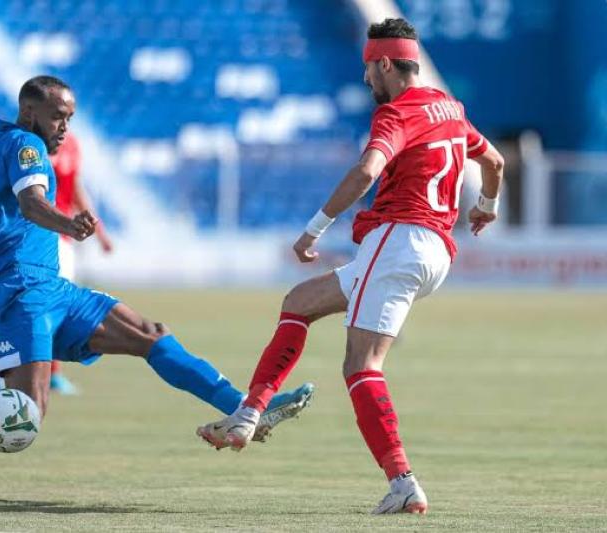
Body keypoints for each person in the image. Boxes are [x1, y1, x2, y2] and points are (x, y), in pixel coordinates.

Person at [0, 75, 313, 500]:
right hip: (22, 294)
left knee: (151, 334)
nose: (64, 127)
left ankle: (245, 408)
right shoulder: (25, 146)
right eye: (57, 116)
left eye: (70, 118)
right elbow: (32, 203)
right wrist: (68, 223)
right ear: (29, 112)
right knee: (23, 415)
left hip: (51, 288)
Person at [197, 18, 504, 515]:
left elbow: (366, 171)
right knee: (298, 302)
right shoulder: (451, 110)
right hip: (432, 252)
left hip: (400, 239)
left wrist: (313, 229)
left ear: (385, 62)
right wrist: (486, 206)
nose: (366, 80)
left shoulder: (396, 114)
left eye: (368, 68)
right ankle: (250, 412)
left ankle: (402, 482)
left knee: (361, 366)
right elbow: (495, 163)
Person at [47, 132, 114, 395]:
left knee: (57, 308)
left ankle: (52, 373)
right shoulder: (31, 142)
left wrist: (101, 233)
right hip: (35, 236)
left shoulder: (72, 143)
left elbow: (75, 189)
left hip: (63, 238)